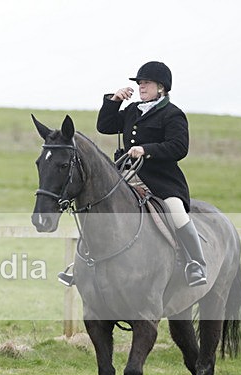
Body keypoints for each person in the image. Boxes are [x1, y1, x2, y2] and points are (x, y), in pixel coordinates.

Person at [97, 61, 207, 287]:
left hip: (161, 181)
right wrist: (114, 100)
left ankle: (195, 263)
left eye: (146, 83)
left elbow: (179, 147)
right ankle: (87, 261)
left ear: (162, 87)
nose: (141, 87)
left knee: (176, 212)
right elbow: (104, 125)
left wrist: (146, 150)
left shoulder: (172, 114)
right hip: (126, 177)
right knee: (99, 206)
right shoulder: (132, 110)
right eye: (139, 83)